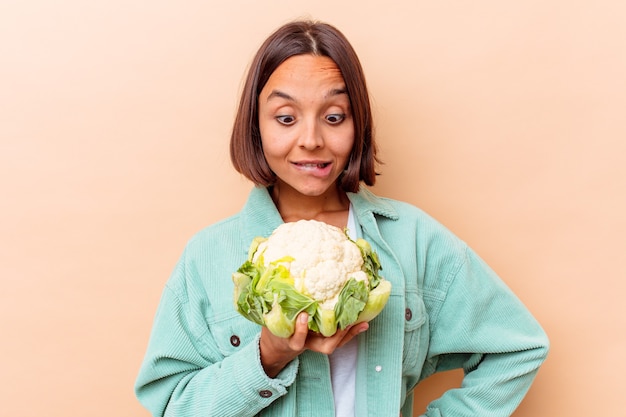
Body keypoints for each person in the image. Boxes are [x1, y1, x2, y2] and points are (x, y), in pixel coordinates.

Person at [134, 20, 549, 417]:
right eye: (285, 118)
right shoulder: (207, 256)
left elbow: (518, 347)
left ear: (358, 125)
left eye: (334, 117)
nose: (311, 140)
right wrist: (268, 357)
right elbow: (172, 407)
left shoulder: (413, 240)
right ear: (255, 126)